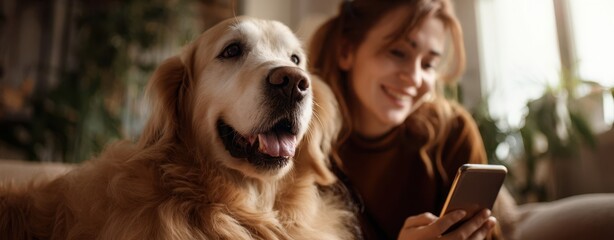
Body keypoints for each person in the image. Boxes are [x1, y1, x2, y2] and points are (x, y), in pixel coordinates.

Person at [308, 0, 515, 239]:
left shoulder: (453, 133)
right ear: (346, 50)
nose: (414, 78)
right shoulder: (303, 149)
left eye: (428, 64)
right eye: (398, 52)